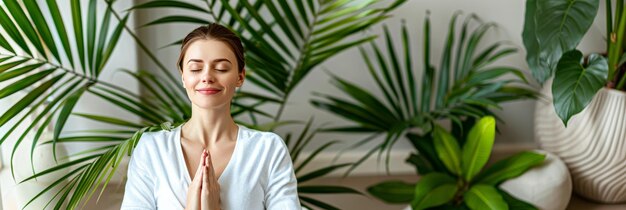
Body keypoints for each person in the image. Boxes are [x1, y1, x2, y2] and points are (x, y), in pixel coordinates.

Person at [121, 23, 301, 210]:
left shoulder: (268, 150)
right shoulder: (151, 149)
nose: (207, 76)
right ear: (183, 77)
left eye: (221, 68)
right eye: (196, 69)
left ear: (240, 76)